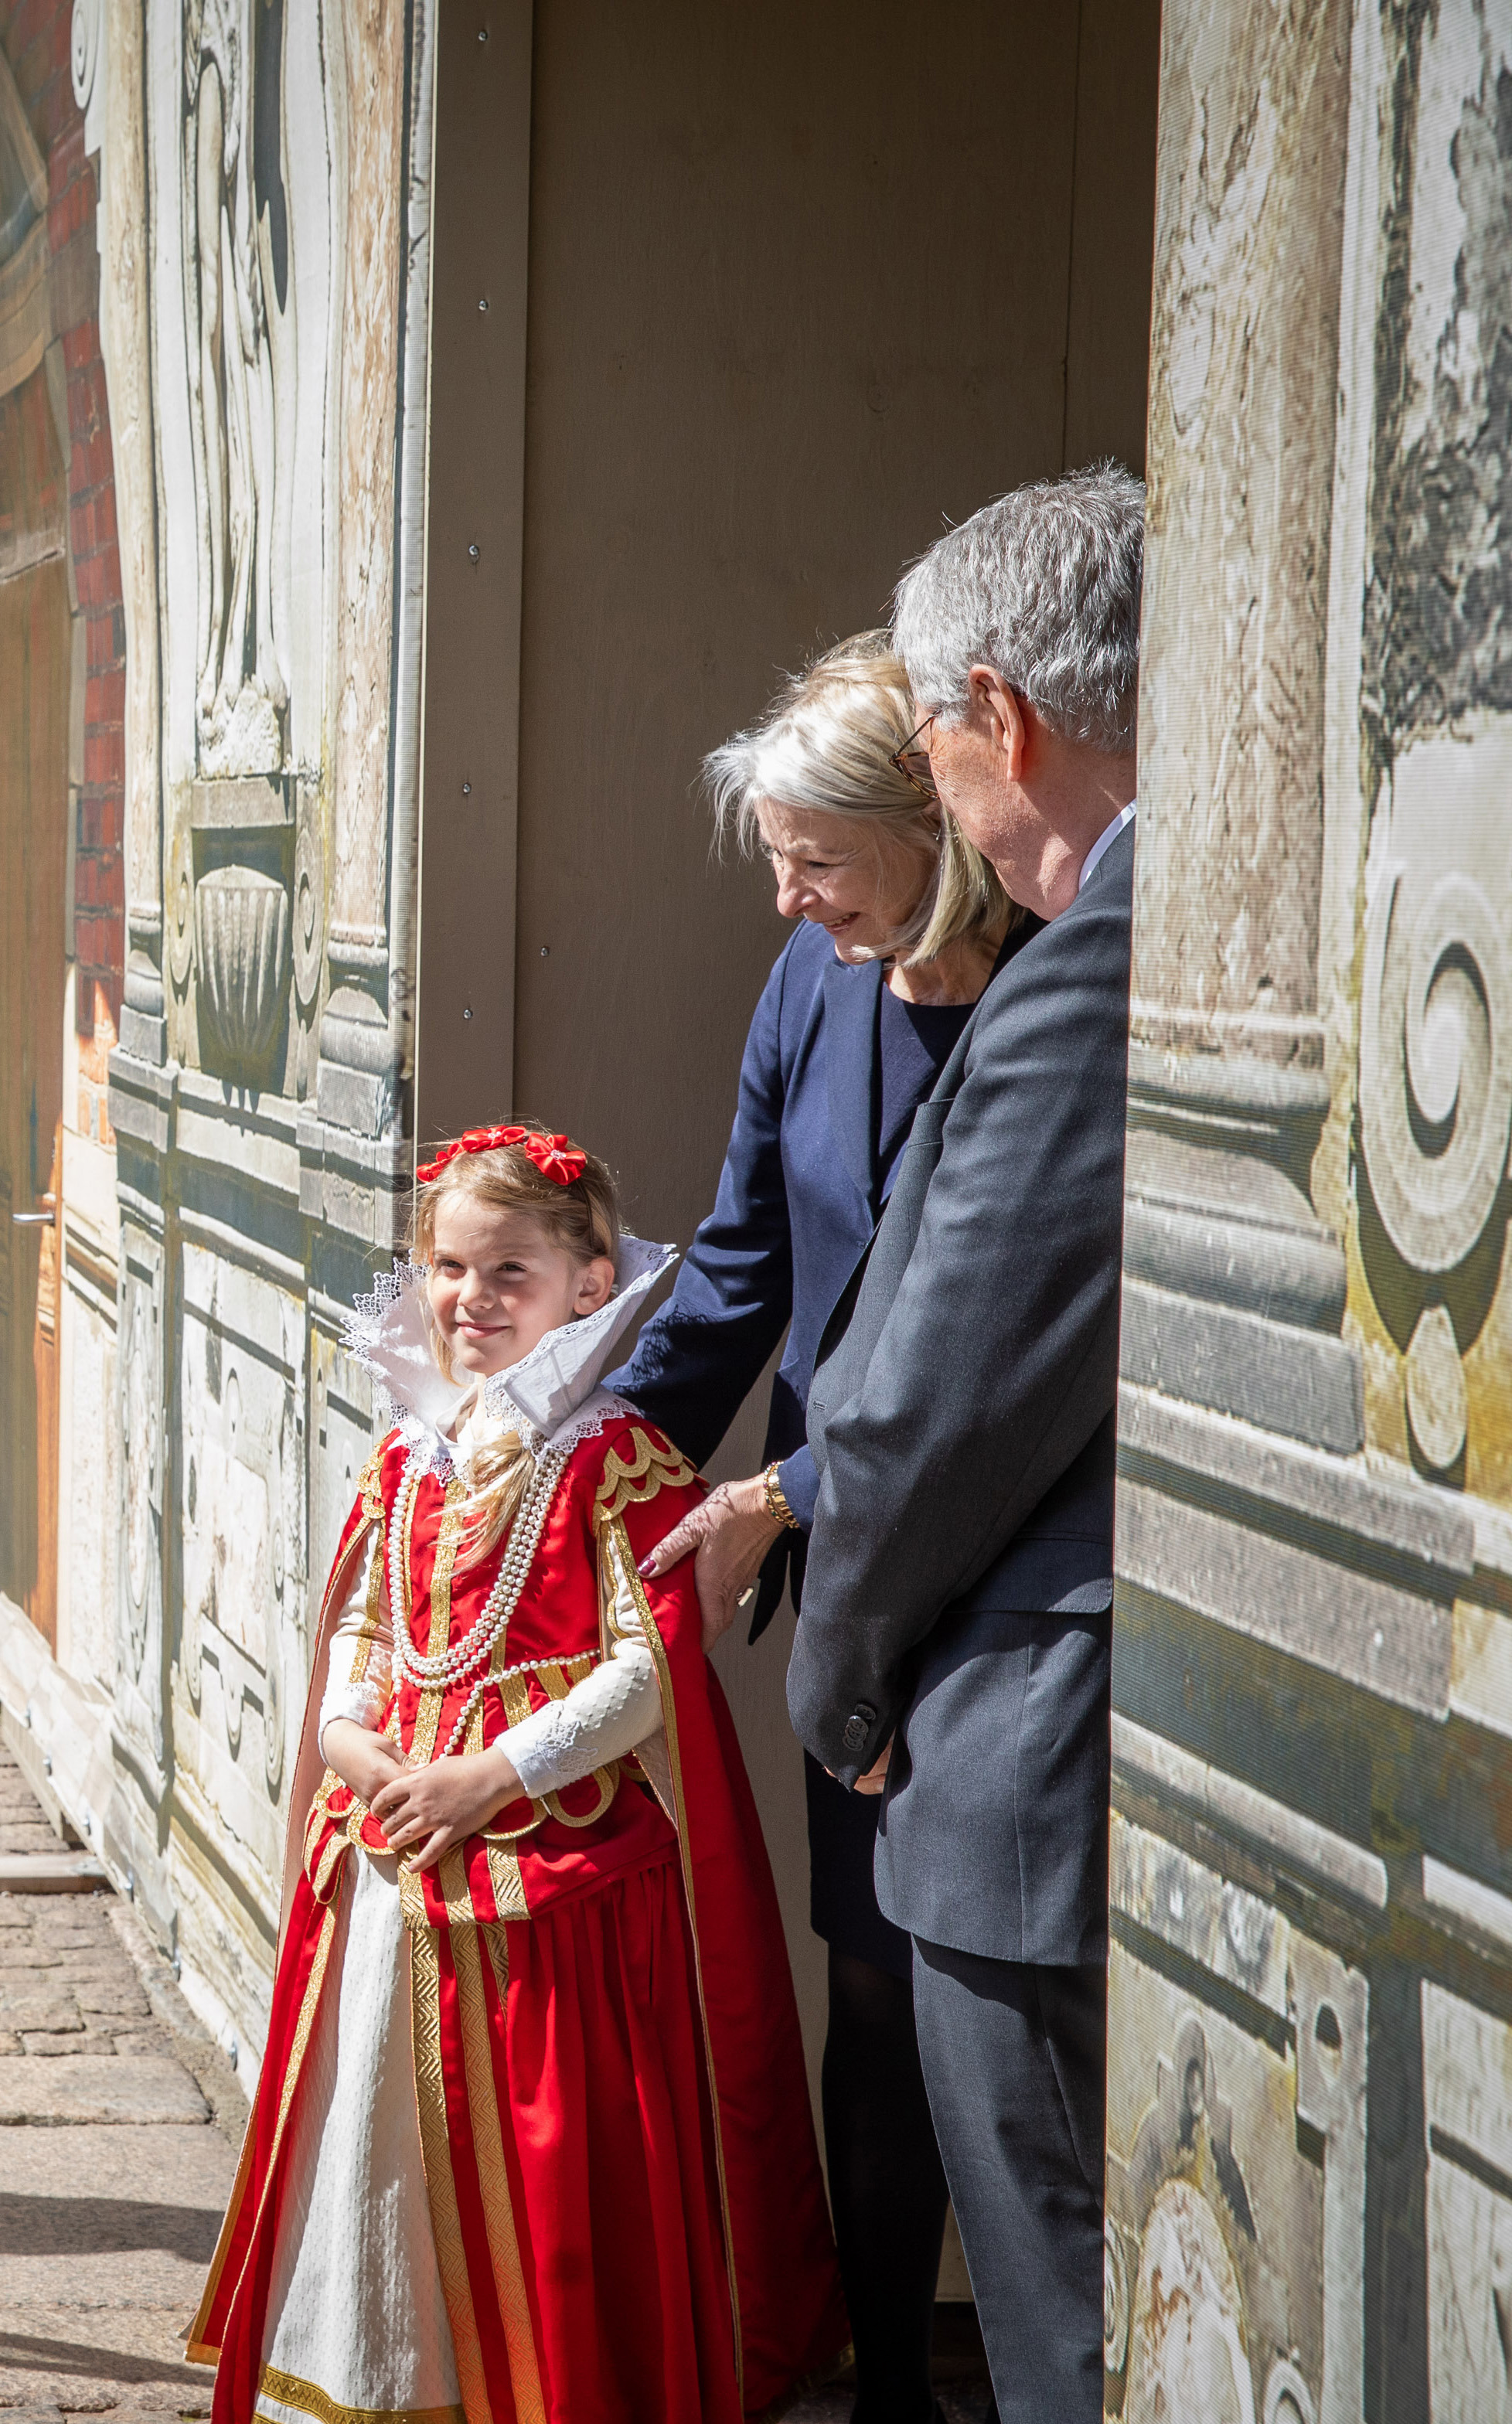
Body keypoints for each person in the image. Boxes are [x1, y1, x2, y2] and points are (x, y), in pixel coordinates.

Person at [192, 1129, 846, 2424]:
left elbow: (647, 1666)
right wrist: (356, 1749)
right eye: (447, 1268)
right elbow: (366, 1636)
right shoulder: (408, 1457)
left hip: (554, 1876)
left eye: (508, 1272)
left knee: (545, 2164)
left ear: (587, 1287)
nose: (469, 1299)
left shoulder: (613, 1459)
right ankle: (381, 2368)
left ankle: (537, 2380)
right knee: (373, 2137)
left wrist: (489, 1776)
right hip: (397, 1844)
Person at [612, 632, 1026, 2422]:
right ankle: (888, 2387)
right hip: (845, 1568)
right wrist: (594, 1452)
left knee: (992, 2008)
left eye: (815, 858)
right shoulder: (807, 979)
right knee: (867, 1991)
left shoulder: (1053, 989)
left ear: (925, 831)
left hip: (1012, 1568)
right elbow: (739, 1263)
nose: (785, 895)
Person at [786, 465, 1142, 2422]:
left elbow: (930, 1403)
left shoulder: (1086, 961)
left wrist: (831, 1686)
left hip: (1019, 1754)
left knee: (1061, 2312)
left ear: (993, 717)